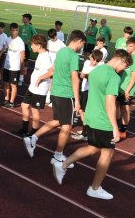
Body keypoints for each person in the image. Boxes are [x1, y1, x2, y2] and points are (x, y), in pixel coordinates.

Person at [51, 49, 132, 201]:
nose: (123, 70)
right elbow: (110, 103)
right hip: (103, 121)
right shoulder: (113, 77)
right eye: (125, 66)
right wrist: (115, 127)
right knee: (107, 153)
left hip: (91, 117)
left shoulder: (95, 70)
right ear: (122, 61)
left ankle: (63, 164)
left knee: (93, 147)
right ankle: (94, 188)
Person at [23, 30, 86, 167]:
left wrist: (41, 77)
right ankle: (58, 156)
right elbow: (75, 78)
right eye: (83, 44)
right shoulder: (74, 56)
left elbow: (53, 70)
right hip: (66, 93)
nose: (82, 47)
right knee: (67, 126)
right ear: (79, 41)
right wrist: (77, 100)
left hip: (56, 93)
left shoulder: (62, 52)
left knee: (58, 121)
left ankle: (33, 138)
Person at [14, 35, 52, 136]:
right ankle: (24, 129)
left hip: (40, 89)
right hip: (32, 87)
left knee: (35, 110)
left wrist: (40, 78)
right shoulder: (40, 54)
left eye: (33, 45)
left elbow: (52, 72)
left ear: (39, 45)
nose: (31, 47)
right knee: (24, 105)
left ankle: (34, 133)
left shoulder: (46, 57)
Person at [71, 49, 104, 141]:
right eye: (94, 60)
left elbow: (96, 78)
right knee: (82, 111)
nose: (95, 62)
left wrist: (88, 75)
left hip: (91, 92)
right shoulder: (86, 63)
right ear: (91, 57)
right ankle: (86, 131)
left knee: (85, 112)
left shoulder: (101, 66)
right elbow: (81, 75)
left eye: (97, 61)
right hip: (84, 89)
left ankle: (85, 133)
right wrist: (88, 75)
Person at [117, 37, 135, 139]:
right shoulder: (130, 56)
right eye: (127, 45)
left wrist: (127, 91)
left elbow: (134, 77)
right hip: (120, 87)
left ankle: (123, 130)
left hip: (126, 89)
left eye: (130, 46)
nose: (128, 48)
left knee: (125, 109)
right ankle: (115, 127)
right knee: (116, 107)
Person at [2, 23, 25, 108]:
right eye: (14, 30)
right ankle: (6, 99)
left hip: (15, 67)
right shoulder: (8, 40)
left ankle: (11, 102)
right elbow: (6, 50)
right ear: (10, 30)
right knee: (6, 83)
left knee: (13, 84)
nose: (15, 32)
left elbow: (22, 55)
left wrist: (22, 67)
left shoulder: (20, 41)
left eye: (17, 30)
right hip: (7, 66)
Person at [19, 13, 37, 85]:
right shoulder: (22, 26)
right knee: (21, 62)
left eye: (23, 17)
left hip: (26, 47)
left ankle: (21, 79)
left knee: (23, 62)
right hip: (21, 46)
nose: (22, 19)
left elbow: (36, 36)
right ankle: (21, 76)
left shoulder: (31, 27)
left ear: (27, 19)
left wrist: (29, 42)